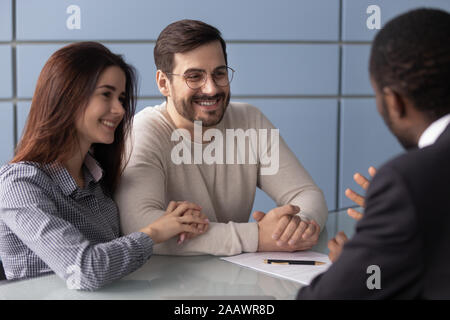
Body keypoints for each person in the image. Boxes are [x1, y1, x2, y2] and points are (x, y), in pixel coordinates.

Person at [0, 42, 209, 290]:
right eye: (106, 94)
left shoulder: (98, 181)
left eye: (121, 98)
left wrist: (173, 222)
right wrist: (155, 232)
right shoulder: (19, 183)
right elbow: (85, 270)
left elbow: (115, 255)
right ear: (68, 95)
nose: (120, 110)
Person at [115, 19, 328, 256]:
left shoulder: (250, 120)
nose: (211, 88)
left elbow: (307, 194)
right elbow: (139, 227)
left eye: (219, 73)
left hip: (233, 279)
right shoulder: (144, 131)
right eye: (194, 77)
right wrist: (256, 237)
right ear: (164, 83)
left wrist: (296, 226)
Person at [297, 8, 450, 299]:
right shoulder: (417, 188)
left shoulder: (408, 181)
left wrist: (360, 263)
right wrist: (400, 220)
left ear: (394, 102)